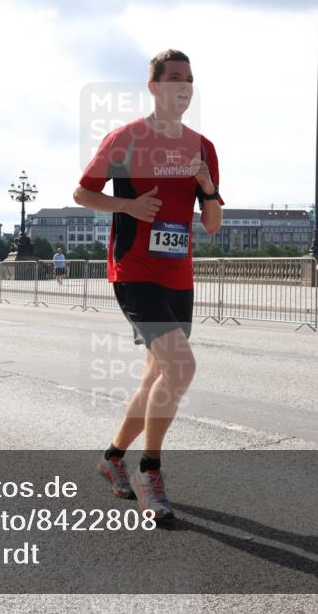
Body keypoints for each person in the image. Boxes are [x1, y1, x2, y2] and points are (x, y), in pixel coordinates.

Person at [73, 49, 223, 520]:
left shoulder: (202, 147)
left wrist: (208, 188)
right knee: (181, 366)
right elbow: (82, 192)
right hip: (135, 271)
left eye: (189, 79)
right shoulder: (126, 140)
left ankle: (112, 458)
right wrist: (129, 207)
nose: (184, 86)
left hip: (179, 276)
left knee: (156, 377)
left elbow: (212, 223)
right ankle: (148, 471)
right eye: (175, 77)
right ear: (154, 86)